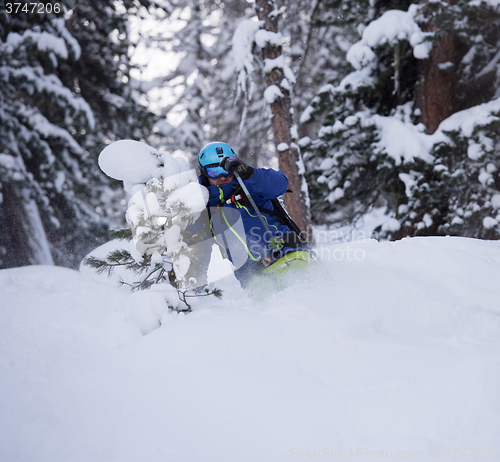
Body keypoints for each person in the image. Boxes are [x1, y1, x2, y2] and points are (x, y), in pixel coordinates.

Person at [195, 141, 306, 287]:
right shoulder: (202, 204)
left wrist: (249, 173)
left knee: (305, 290)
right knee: (270, 306)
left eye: (225, 170)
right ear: (204, 173)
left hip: (286, 254)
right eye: (214, 172)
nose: (222, 177)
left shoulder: (250, 184)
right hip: (254, 276)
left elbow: (280, 183)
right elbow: (195, 251)